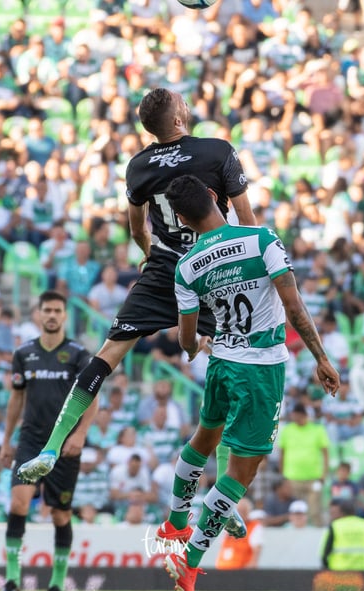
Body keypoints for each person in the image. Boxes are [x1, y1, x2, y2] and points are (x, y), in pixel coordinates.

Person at [16, 87, 254, 489]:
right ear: (179, 119)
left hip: (164, 271)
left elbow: (136, 229)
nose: (188, 105)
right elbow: (246, 224)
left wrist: (150, 254)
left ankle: (51, 448)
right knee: (226, 371)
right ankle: (223, 490)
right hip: (216, 268)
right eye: (184, 102)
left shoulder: (138, 165)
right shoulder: (218, 151)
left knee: (106, 357)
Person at [153, 174, 339, 591]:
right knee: (242, 474)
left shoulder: (187, 265)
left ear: (181, 218)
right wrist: (321, 357)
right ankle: (190, 561)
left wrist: (196, 343)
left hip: (221, 362)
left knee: (203, 437)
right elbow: (293, 307)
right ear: (215, 198)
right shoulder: (261, 239)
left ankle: (176, 520)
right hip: (260, 369)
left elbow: (184, 340)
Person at [0, 290, 96, 591]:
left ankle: (56, 585)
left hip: (64, 444)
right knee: (18, 504)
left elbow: (91, 397)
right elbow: (16, 398)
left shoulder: (79, 354)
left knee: (60, 514)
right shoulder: (24, 354)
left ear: (65, 315)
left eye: (57, 310)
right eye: (47, 310)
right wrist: (6, 439)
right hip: (30, 441)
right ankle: (12, 581)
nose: (51, 315)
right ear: (38, 314)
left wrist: (80, 434)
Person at [320, 499, 364, 571]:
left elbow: (325, 552)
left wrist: (327, 568)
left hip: (339, 573)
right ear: (355, 511)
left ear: (341, 512)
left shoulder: (335, 525)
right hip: (361, 573)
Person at [215, 497, 265, 569]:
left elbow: (257, 549)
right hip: (222, 569)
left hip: (241, 572)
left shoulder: (254, 527)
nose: (241, 514)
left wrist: (251, 567)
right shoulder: (229, 525)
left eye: (244, 511)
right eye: (239, 511)